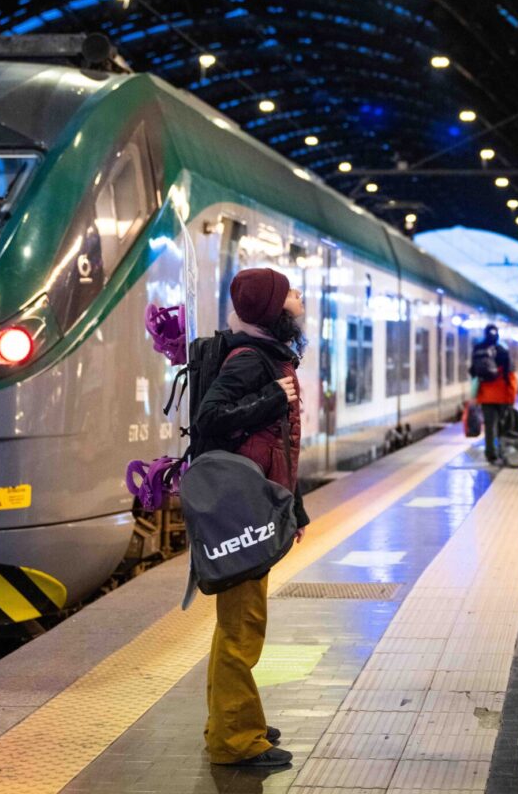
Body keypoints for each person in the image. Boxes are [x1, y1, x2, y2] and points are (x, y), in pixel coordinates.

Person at [196, 267, 309, 769]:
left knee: (239, 624)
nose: (300, 301)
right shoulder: (250, 361)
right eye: (292, 295)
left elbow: (280, 444)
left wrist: (294, 506)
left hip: (258, 503)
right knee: (242, 628)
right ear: (273, 311)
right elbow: (209, 421)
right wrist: (271, 398)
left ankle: (233, 719)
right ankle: (234, 741)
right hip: (241, 511)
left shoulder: (270, 357)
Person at [469, 323, 517, 464]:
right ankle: (503, 452)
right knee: (503, 425)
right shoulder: (502, 350)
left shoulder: (478, 349)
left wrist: (474, 395)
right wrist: (512, 396)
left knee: (490, 426)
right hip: (502, 394)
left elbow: (473, 372)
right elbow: (510, 375)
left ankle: (490, 453)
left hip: (486, 394)